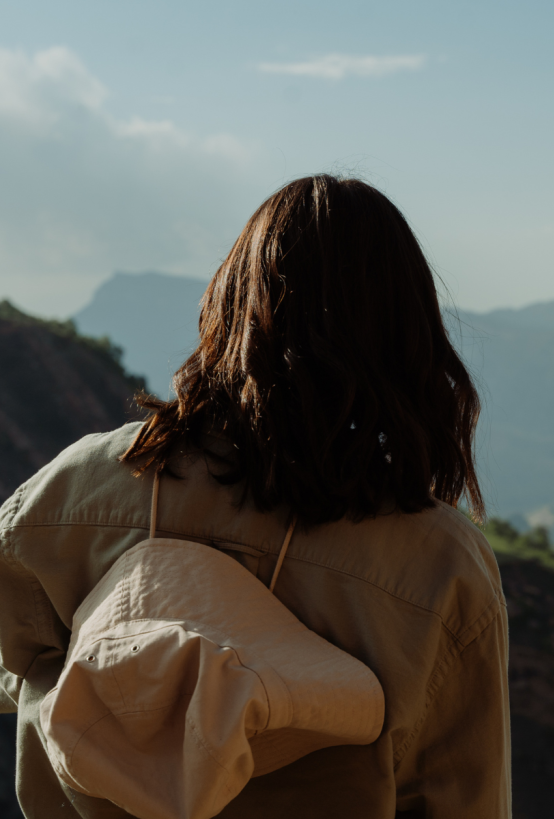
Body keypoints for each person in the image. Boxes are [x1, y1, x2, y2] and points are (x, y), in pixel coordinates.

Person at [0, 175, 511, 818]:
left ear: (229, 303)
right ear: (409, 334)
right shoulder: (440, 564)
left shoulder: (79, 488)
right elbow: (465, 797)